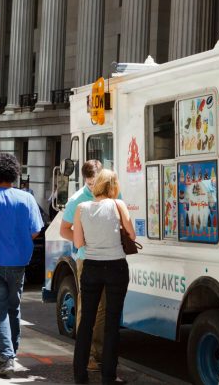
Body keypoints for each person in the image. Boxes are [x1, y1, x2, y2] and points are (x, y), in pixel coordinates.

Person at [0, 153, 44, 377]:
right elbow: (36, 230)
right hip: (19, 262)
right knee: (13, 308)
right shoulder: (26, 198)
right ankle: (11, 353)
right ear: (15, 175)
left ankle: (6, 356)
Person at [72, 169, 135, 384]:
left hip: (91, 267)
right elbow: (132, 235)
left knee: (87, 321)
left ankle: (80, 375)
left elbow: (78, 244)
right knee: (111, 321)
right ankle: (108, 376)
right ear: (113, 186)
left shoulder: (81, 208)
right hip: (116, 267)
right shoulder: (119, 205)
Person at [60, 160, 108, 371]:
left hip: (108, 259)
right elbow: (64, 230)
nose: (92, 186)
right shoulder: (77, 200)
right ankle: (87, 355)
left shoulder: (112, 192)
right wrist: (82, 241)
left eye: (95, 182)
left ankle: (97, 353)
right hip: (86, 259)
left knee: (102, 309)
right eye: (89, 183)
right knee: (87, 308)